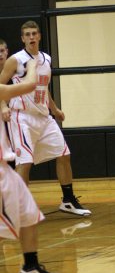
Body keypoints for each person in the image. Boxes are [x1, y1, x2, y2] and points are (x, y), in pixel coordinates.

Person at [0, 20, 91, 217]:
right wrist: (3, 105)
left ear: (39, 36)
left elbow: (44, 87)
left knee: (64, 155)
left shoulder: (47, 59)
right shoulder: (15, 60)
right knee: (24, 163)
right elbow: (0, 85)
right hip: (21, 117)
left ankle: (68, 200)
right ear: (22, 38)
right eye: (27, 34)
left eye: (34, 33)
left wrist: (55, 109)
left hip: (43, 117)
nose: (31, 37)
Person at [0, 57, 61, 273]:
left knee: (29, 214)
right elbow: (29, 85)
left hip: (5, 169)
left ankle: (30, 267)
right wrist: (33, 65)